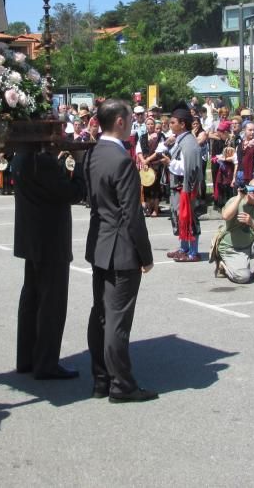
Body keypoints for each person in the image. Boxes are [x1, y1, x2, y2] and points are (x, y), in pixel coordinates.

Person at [82, 99, 157, 403]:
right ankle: (121, 384)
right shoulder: (121, 160)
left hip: (100, 244)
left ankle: (101, 379)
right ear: (122, 123)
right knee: (116, 320)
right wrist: (147, 255)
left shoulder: (92, 154)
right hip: (121, 249)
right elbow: (132, 214)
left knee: (100, 315)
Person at [12, 147, 86, 380]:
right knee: (51, 303)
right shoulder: (42, 161)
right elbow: (74, 192)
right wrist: (80, 163)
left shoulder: (22, 156)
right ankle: (45, 363)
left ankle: (26, 358)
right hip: (50, 241)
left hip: (32, 239)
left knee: (31, 298)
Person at [214, 178, 254, 283]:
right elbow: (225, 216)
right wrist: (239, 197)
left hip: (248, 246)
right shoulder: (236, 200)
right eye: (251, 188)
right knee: (243, 277)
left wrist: (252, 222)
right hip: (231, 248)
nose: (253, 191)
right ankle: (223, 264)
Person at [162, 105, 203, 262]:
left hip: (187, 188)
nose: (170, 125)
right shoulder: (180, 140)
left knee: (190, 218)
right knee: (180, 217)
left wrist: (169, 163)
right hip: (179, 187)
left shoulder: (190, 144)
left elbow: (188, 168)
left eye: (173, 122)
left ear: (182, 124)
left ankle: (193, 252)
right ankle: (184, 247)